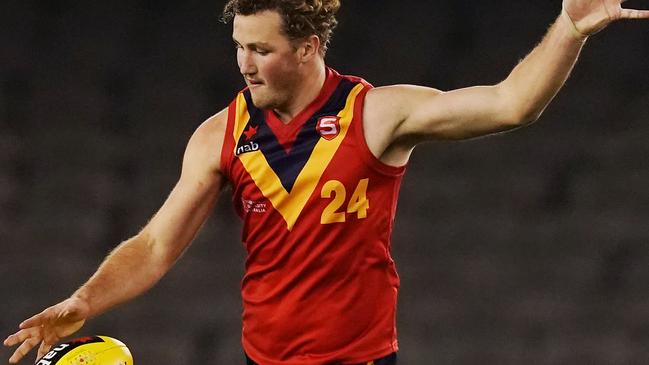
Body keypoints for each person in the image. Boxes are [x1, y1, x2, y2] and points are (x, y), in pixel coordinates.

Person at [4, 0, 649, 364]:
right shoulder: (219, 135)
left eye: (261, 49)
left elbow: (512, 104)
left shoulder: (376, 114)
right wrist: (86, 301)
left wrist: (569, 28)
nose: (244, 62)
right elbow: (155, 245)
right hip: (265, 360)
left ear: (309, 46)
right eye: (239, 45)